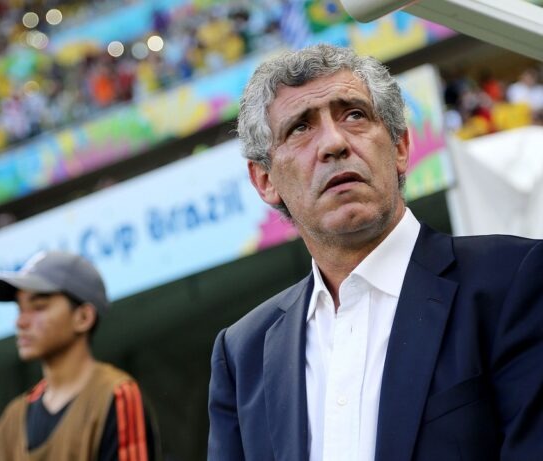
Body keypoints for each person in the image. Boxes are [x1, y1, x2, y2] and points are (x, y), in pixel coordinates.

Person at [207, 44, 543, 461]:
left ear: (401, 146)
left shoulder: (514, 280)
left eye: (354, 115)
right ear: (264, 180)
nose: (333, 143)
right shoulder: (242, 355)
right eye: (300, 128)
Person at [0, 251, 159, 461]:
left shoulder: (116, 395)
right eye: (20, 309)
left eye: (38, 307)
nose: (20, 322)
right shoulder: (11, 421)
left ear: (83, 317)